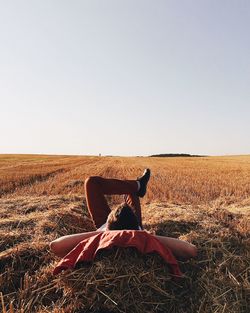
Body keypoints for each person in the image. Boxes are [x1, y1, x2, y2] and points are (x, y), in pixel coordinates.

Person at [50, 169, 197, 260]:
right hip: (131, 229)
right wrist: (141, 235)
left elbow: (55, 246)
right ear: (136, 223)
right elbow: (190, 250)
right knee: (130, 192)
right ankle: (138, 186)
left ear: (108, 224)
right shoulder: (142, 237)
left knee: (91, 182)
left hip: (106, 228)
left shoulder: (102, 236)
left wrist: (104, 235)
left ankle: (137, 185)